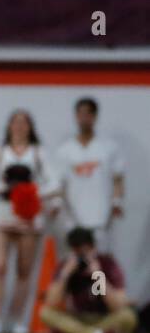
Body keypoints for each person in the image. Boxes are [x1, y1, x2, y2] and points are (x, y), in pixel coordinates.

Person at [0, 108, 60, 333]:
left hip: (28, 213)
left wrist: (32, 192)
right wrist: (7, 188)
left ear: (31, 127)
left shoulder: (38, 152)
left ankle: (16, 319)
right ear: (9, 126)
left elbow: (54, 182)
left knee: (24, 270)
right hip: (4, 210)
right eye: (16, 122)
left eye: (24, 123)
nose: (20, 127)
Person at [38, 228, 138, 333]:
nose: (82, 258)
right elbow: (51, 302)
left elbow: (118, 305)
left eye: (84, 253)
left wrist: (99, 275)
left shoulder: (108, 264)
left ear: (93, 248)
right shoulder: (67, 265)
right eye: (77, 253)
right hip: (77, 319)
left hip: (104, 318)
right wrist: (65, 274)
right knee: (45, 313)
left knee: (128, 316)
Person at [54, 98, 126, 254]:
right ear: (76, 116)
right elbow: (60, 184)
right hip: (74, 218)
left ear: (95, 116)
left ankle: (100, 280)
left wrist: (116, 202)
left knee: (100, 263)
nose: (84, 118)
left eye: (88, 114)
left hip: (101, 218)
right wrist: (58, 205)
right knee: (75, 262)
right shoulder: (65, 150)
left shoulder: (108, 147)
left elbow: (118, 179)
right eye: (80, 114)